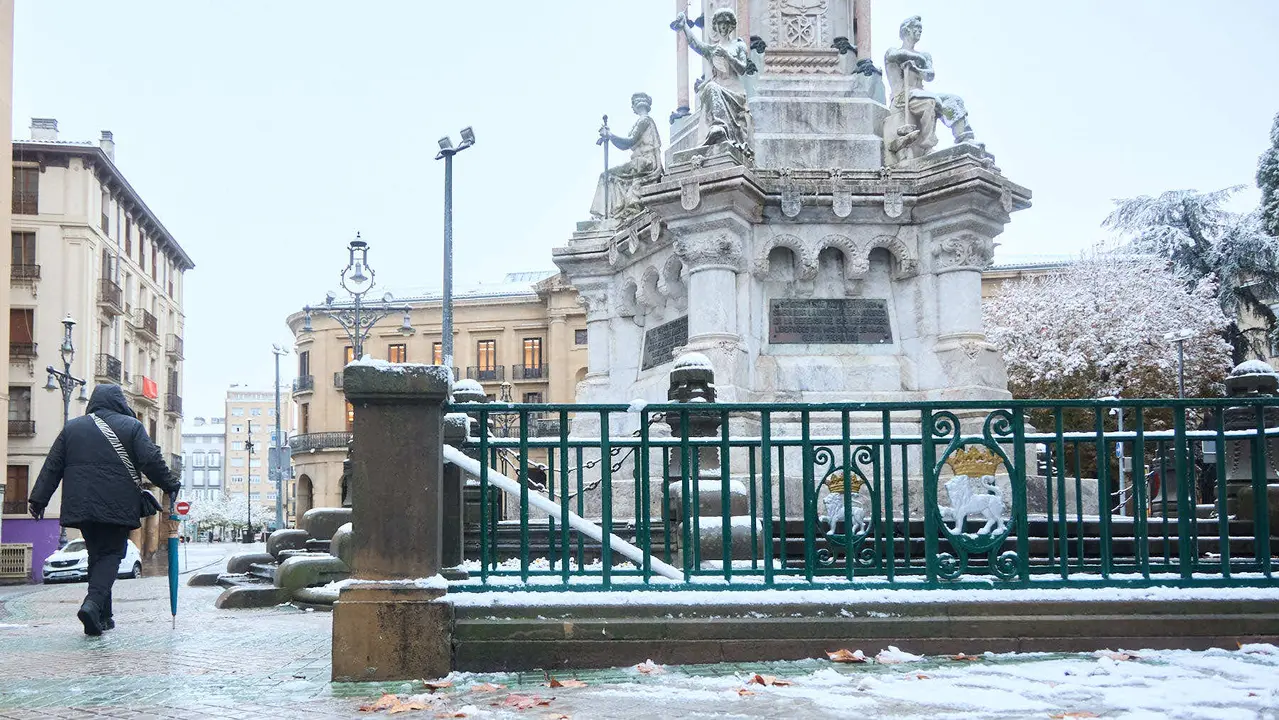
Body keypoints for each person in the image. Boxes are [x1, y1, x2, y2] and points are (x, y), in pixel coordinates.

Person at [27, 384, 180, 636]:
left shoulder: (72, 428)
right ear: (120, 402)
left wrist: (39, 499)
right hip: (116, 504)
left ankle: (103, 616)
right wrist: (170, 484)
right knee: (111, 554)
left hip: (81, 504)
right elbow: (151, 459)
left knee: (97, 556)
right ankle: (92, 604)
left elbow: (52, 466)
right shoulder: (131, 427)